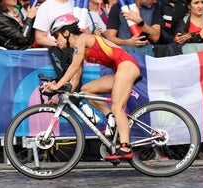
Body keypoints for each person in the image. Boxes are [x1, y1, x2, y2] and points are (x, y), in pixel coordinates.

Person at [41, 13, 141, 160]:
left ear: (66, 32)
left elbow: (74, 66)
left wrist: (56, 86)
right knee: (86, 90)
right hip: (121, 68)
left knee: (117, 106)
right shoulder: (78, 49)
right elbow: (75, 81)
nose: (56, 41)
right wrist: (60, 97)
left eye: (57, 36)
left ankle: (125, 147)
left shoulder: (82, 39)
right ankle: (111, 118)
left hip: (127, 66)